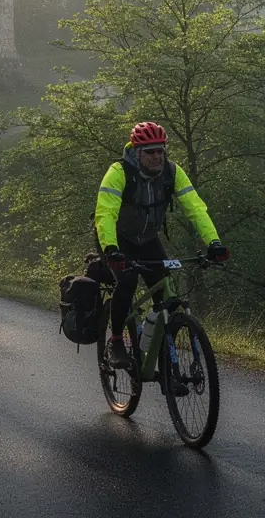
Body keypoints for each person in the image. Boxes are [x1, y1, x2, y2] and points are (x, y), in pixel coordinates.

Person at [94, 121, 229, 372]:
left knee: (166, 295)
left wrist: (214, 242)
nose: (157, 156)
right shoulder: (119, 172)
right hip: (116, 238)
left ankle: (165, 359)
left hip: (146, 239)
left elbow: (196, 209)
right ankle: (115, 342)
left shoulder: (173, 172)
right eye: (150, 152)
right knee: (127, 281)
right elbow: (105, 214)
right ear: (137, 152)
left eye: (160, 150)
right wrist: (111, 248)